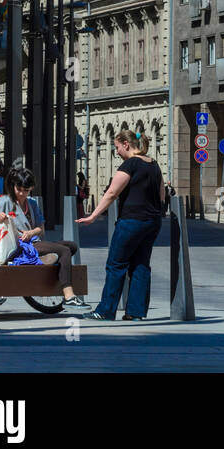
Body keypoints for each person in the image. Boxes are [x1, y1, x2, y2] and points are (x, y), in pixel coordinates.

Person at [78, 130, 165, 321]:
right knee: (141, 265)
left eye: (117, 147)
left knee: (116, 264)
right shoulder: (154, 164)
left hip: (131, 221)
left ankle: (105, 310)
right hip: (152, 222)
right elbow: (161, 196)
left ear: (126, 144)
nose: (116, 152)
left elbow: (111, 193)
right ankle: (136, 312)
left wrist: (93, 215)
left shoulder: (130, 164)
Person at [0, 167, 89, 309]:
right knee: (64, 251)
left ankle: (40, 261)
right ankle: (69, 296)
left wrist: (30, 233)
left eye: (26, 190)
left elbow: (40, 229)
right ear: (13, 186)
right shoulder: (4, 201)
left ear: (31, 188)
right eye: (19, 189)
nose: (22, 194)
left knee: (72, 246)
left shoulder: (32, 203)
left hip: (32, 243)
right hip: (17, 247)